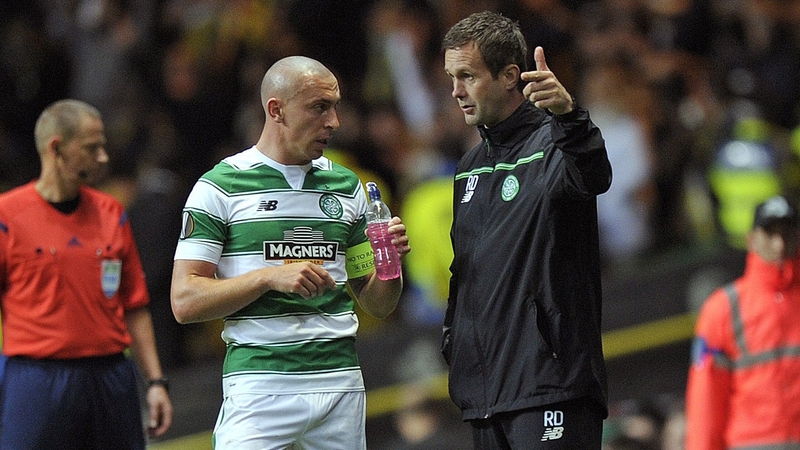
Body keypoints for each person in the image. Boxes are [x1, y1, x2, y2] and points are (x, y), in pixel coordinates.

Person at [170, 55, 410, 450]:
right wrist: (268, 277)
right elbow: (184, 301)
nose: (334, 121)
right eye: (320, 107)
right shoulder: (220, 187)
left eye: (335, 107)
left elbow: (378, 304)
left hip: (340, 383)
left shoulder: (347, 186)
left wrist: (390, 264)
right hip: (260, 385)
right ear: (276, 110)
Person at [440, 11, 612, 449]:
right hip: (485, 395)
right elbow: (467, 273)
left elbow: (595, 174)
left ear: (509, 76)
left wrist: (570, 117)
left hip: (551, 383)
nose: (456, 91)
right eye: (451, 78)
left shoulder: (556, 142)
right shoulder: (469, 168)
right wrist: (454, 343)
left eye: (467, 76)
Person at [0, 99, 173, 449]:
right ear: (56, 148)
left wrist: (156, 381)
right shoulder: (7, 217)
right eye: (91, 148)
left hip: (111, 378)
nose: (103, 157)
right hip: (37, 380)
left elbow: (134, 305)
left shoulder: (112, 212)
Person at [685, 194, 800, 449]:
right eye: (770, 233)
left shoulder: (723, 306)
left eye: (788, 233)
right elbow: (706, 399)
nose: (780, 244)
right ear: (751, 239)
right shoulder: (723, 309)